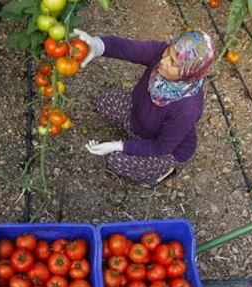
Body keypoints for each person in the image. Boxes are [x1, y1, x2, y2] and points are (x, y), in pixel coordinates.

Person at [74, 28, 216, 187]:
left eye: (174, 63)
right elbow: (128, 48)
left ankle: (162, 171)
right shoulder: (160, 54)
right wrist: (98, 45)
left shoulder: (187, 109)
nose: (164, 61)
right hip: (141, 119)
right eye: (169, 51)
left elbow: (161, 146)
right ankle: (137, 140)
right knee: (105, 102)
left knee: (116, 160)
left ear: (188, 72)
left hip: (166, 149)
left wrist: (119, 145)